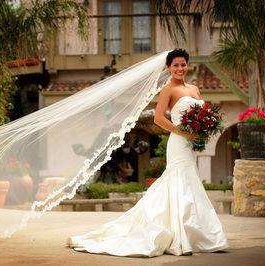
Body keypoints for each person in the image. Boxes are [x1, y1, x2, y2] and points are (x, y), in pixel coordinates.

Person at [67, 49, 229, 257]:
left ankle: (197, 233)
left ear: (188, 66)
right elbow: (159, 119)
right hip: (179, 142)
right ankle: (180, 235)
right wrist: (184, 132)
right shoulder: (168, 90)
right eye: (176, 65)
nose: (180, 68)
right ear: (169, 68)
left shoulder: (195, 89)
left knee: (190, 180)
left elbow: (203, 115)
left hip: (192, 144)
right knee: (178, 179)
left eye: (183, 64)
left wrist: (202, 133)